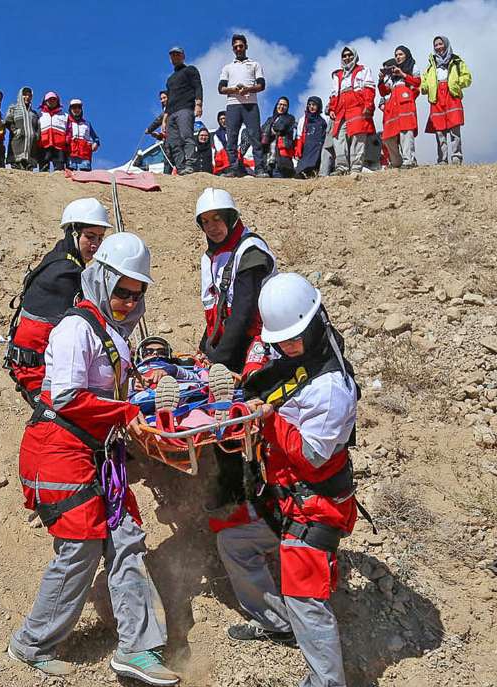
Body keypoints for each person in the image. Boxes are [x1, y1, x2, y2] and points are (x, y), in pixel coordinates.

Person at [9, 232, 179, 687]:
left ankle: (137, 649)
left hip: (100, 453)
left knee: (126, 538)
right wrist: (126, 411)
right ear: (101, 281)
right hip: (58, 450)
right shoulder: (75, 329)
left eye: (136, 294)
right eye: (121, 291)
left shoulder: (113, 336)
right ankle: (32, 643)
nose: (128, 302)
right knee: (82, 546)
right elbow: (65, 396)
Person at [214, 273, 361, 687]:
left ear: (315, 323)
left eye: (296, 339)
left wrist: (269, 420)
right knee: (234, 543)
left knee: (305, 594)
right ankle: (274, 621)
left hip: (316, 504)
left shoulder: (331, 387)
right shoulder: (305, 357)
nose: (289, 348)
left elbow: (314, 456)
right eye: (285, 341)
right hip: (285, 498)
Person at [195, 188, 276, 511]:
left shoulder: (251, 251)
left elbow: (243, 312)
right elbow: (219, 311)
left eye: (218, 219)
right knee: (221, 412)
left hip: (259, 342)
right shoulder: (214, 256)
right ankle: (231, 485)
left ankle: (263, 490)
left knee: (255, 413)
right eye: (205, 221)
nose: (213, 226)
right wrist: (206, 349)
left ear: (231, 218)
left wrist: (219, 361)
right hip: (233, 343)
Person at [4, 198, 112, 404]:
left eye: (100, 238)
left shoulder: (57, 257)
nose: (96, 245)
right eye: (90, 236)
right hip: (36, 371)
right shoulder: (65, 272)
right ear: (73, 233)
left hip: (28, 363)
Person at [217, 34, 265, 178]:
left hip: (251, 104)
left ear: (246, 46)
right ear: (232, 49)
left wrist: (247, 89)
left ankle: (260, 169)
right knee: (231, 137)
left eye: (241, 46)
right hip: (233, 105)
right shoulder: (227, 67)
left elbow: (262, 85)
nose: (238, 49)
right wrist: (234, 90)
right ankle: (233, 168)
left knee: (255, 137)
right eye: (236, 47)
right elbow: (221, 88)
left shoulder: (255, 64)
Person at [422, 35, 472, 165]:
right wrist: (424, 87)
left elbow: (467, 77)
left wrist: (456, 84)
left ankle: (456, 157)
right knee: (439, 130)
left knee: (454, 128)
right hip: (436, 98)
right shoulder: (431, 66)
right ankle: (442, 159)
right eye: (436, 45)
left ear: (446, 44)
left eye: (440, 44)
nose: (438, 47)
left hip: (451, 95)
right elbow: (425, 80)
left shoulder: (456, 61)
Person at [327, 47, 375, 176]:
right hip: (341, 107)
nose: (347, 58)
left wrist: (368, 104)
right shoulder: (337, 75)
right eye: (344, 56)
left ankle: (356, 167)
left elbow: (369, 88)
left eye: (349, 55)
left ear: (355, 56)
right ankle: (341, 167)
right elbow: (333, 93)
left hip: (357, 105)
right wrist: (332, 108)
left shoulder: (363, 70)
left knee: (358, 136)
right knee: (338, 137)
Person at [379, 47, 420, 170]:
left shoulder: (412, 67)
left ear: (406, 55)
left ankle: (409, 160)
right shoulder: (392, 76)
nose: (398, 57)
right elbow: (383, 92)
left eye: (400, 54)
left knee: (406, 131)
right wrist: (381, 79)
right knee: (388, 136)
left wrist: (403, 74)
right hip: (392, 105)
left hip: (405, 103)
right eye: (396, 55)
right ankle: (396, 161)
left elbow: (417, 83)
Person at [164, 46, 203, 173]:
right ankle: (181, 168)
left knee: (186, 137)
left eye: (177, 54)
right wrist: (164, 119)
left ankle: (190, 164)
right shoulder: (170, 79)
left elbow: (198, 86)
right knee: (173, 142)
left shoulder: (190, 70)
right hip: (171, 113)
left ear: (183, 56)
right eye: (172, 55)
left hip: (185, 109)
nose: (175, 57)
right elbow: (168, 100)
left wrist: (198, 104)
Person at [260, 97, 297, 178]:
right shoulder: (270, 119)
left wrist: (269, 131)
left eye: (285, 105)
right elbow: (262, 131)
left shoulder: (290, 118)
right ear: (276, 105)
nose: (282, 107)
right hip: (268, 157)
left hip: (282, 158)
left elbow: (281, 127)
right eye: (280, 104)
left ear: (287, 107)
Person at [4, 86, 39, 170]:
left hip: (31, 147)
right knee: (17, 171)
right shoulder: (14, 108)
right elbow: (8, 121)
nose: (27, 97)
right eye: (25, 95)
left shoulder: (34, 113)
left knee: (28, 175)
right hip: (17, 142)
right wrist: (15, 131)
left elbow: (37, 127)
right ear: (20, 95)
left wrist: (36, 136)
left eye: (29, 96)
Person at [295, 96, 328, 179]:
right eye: (309, 105)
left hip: (318, 147)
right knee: (304, 165)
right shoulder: (303, 119)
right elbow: (299, 134)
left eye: (314, 105)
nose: (311, 107)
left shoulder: (323, 121)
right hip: (307, 146)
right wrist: (298, 148)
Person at [63, 99, 100, 171]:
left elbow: (96, 138)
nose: (76, 110)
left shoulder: (87, 124)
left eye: (78, 107)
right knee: (71, 175)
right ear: (70, 109)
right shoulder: (67, 123)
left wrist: (96, 143)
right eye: (74, 108)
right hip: (71, 154)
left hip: (85, 155)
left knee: (85, 176)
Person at [37, 92, 67, 172]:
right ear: (45, 101)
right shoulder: (39, 114)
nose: (52, 101)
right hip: (43, 145)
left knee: (60, 170)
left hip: (59, 146)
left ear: (57, 101)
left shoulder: (64, 115)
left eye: (54, 99)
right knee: (43, 169)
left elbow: (70, 130)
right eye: (49, 99)